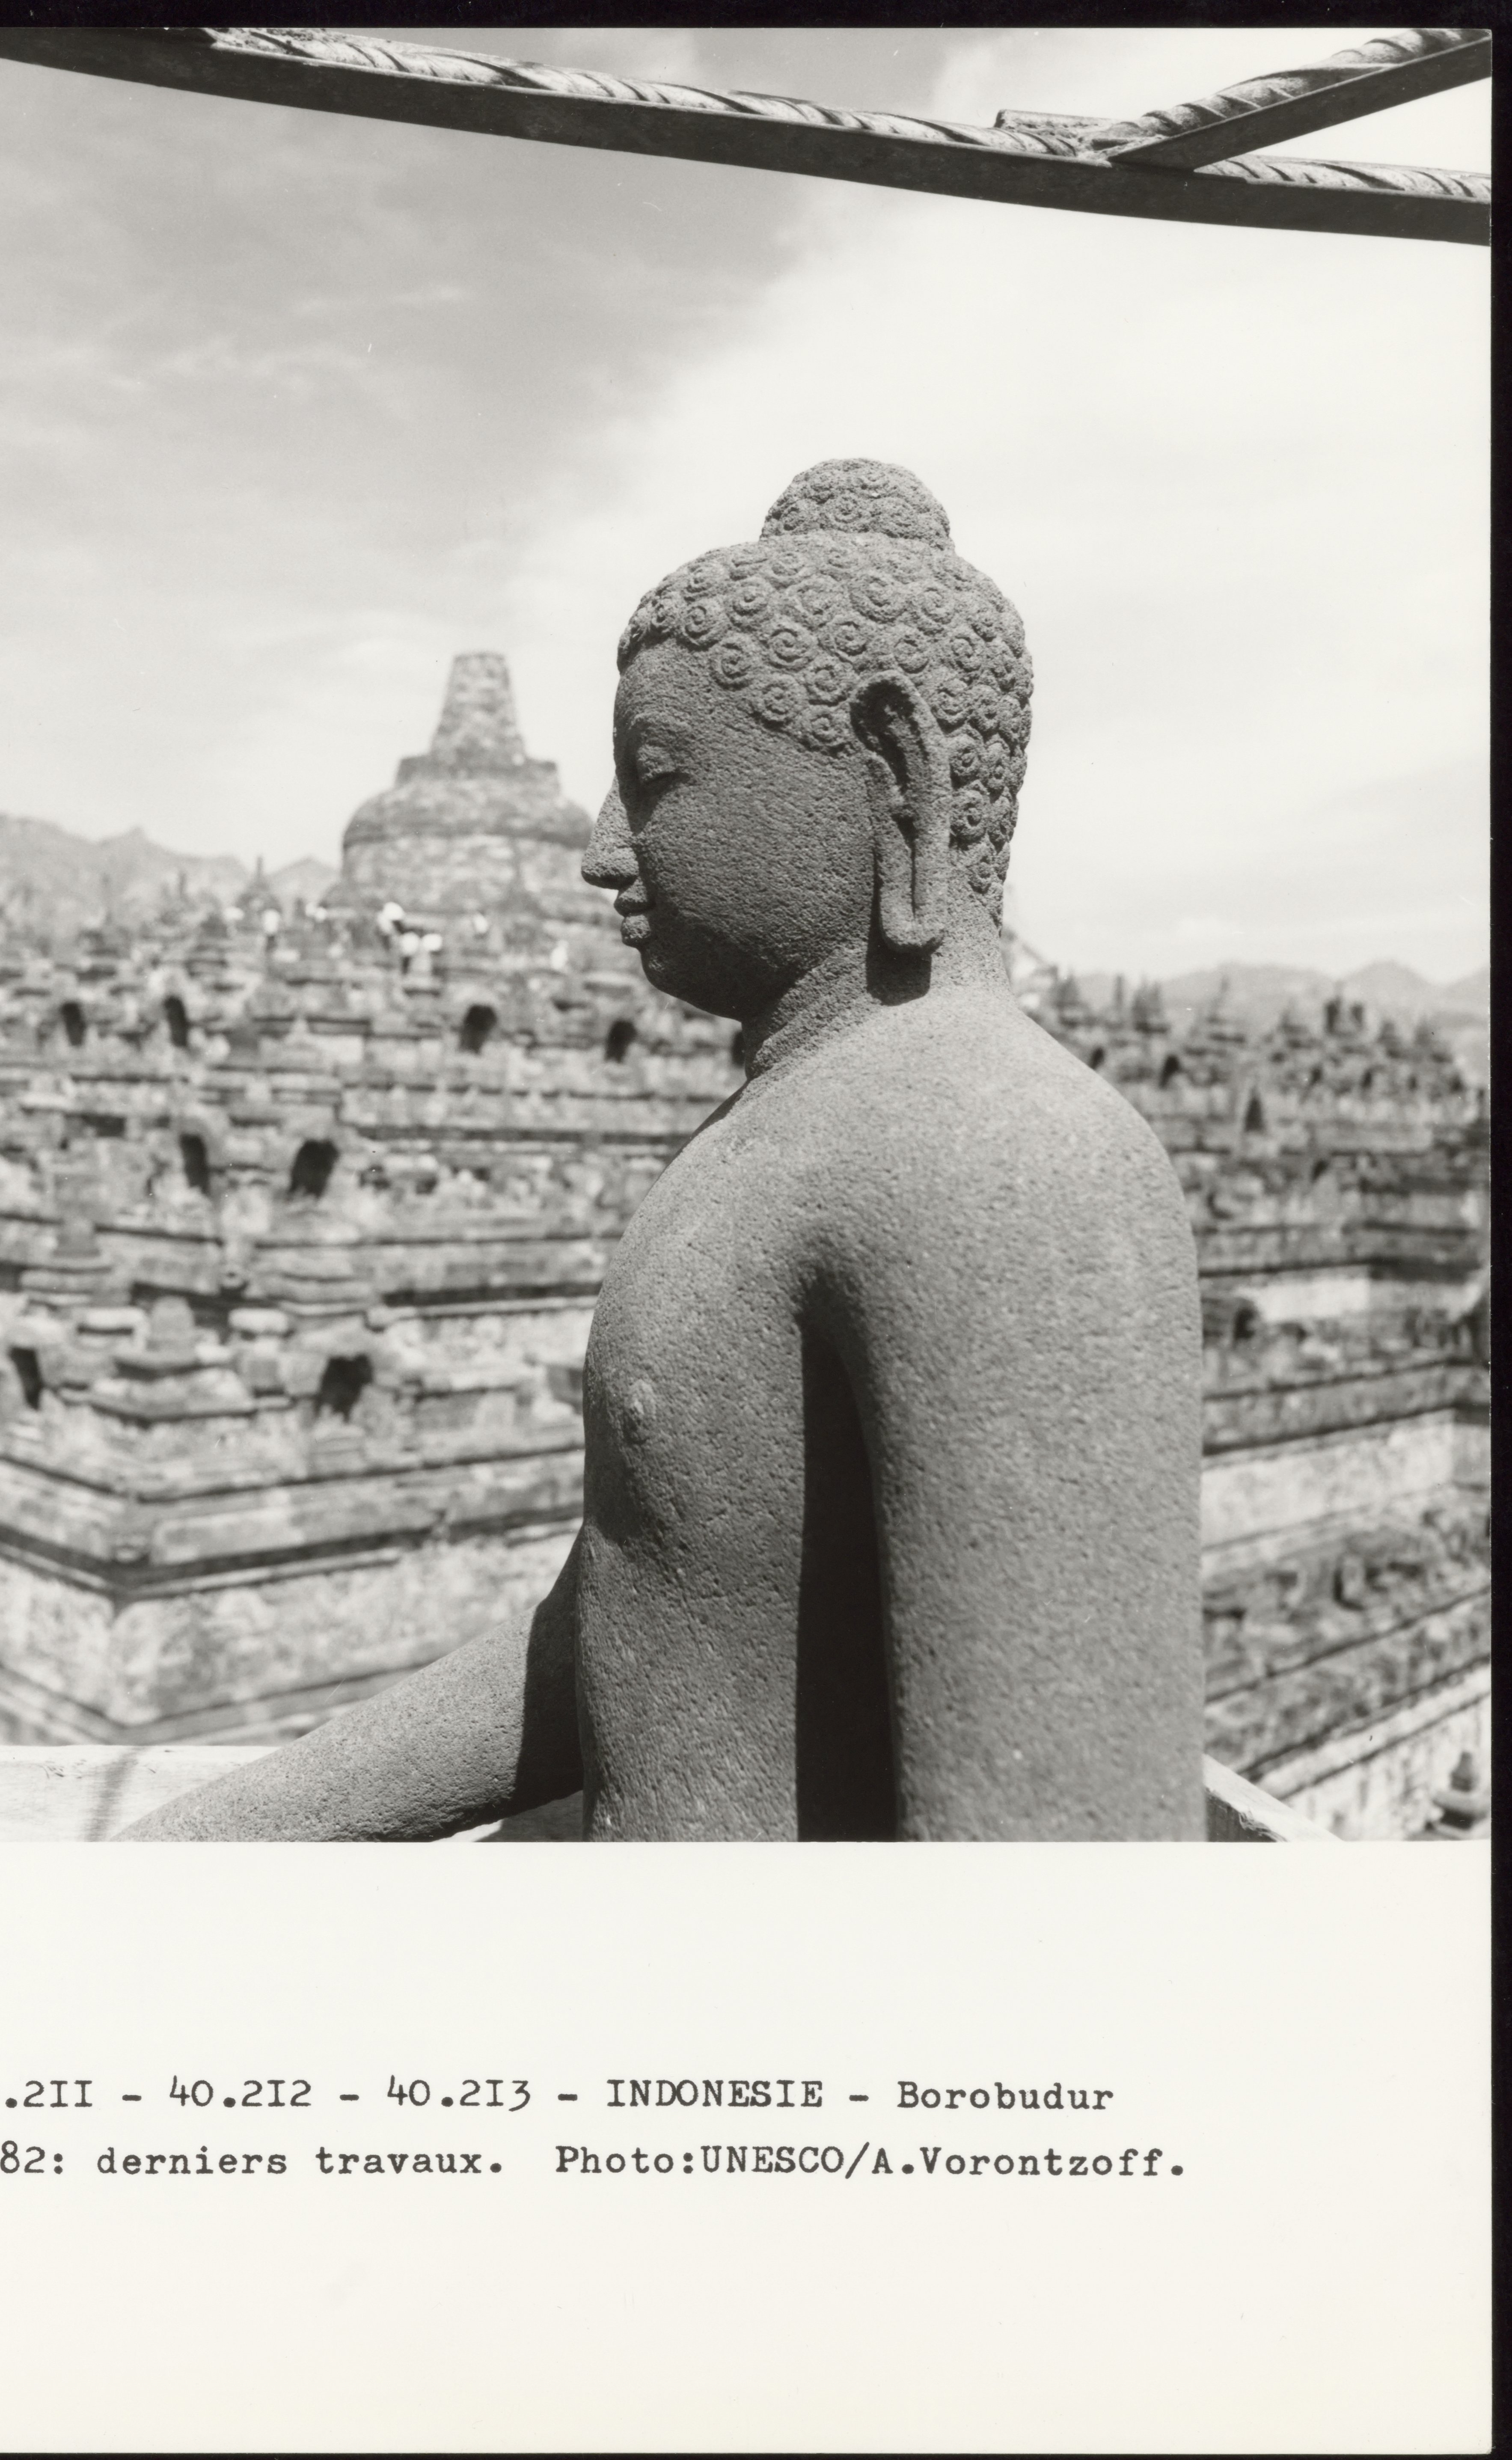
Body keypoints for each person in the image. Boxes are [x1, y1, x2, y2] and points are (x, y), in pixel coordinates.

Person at [120, 459, 1203, 1842]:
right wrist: (248, 1823)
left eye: (656, 780)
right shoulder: (786, 1127)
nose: (599, 847)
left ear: (895, 775)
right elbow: (649, 1610)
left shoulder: (1010, 1163)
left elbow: (1066, 1886)